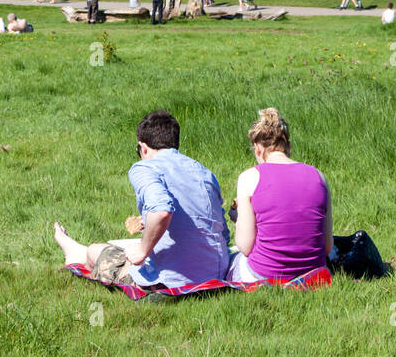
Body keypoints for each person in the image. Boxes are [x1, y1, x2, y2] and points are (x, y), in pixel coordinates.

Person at [53, 110, 230, 289]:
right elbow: (221, 231)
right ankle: (79, 251)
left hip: (171, 280)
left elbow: (161, 211)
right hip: (216, 273)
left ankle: (75, 255)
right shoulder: (204, 172)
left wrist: (142, 250)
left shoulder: (145, 168)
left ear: (143, 148)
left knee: (94, 251)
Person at [227, 108, 331, 283]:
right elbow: (327, 246)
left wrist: (238, 221)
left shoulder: (248, 178)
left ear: (258, 149)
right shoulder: (319, 177)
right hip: (314, 273)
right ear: (288, 146)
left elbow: (245, 247)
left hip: (265, 274)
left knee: (230, 260)